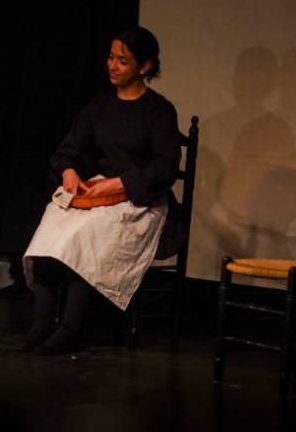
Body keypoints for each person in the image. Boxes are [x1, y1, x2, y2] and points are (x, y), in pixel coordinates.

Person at [20, 27, 181, 355]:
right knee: (53, 220)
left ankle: (71, 328)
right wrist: (68, 170)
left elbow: (166, 166)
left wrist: (122, 182)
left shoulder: (159, 110)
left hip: (140, 201)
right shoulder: (99, 107)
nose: (112, 65)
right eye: (111, 57)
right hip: (98, 194)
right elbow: (67, 150)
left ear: (145, 66)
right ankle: (41, 323)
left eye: (123, 60)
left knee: (87, 234)